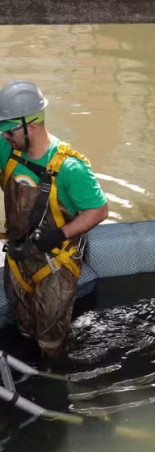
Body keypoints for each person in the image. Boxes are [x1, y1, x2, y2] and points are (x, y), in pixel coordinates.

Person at [0, 80, 108, 356]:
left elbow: (98, 210)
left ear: (31, 126)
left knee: (50, 343)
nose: (4, 137)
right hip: (17, 257)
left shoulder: (71, 167)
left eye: (8, 131)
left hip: (54, 263)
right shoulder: (8, 152)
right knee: (24, 329)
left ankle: (54, 384)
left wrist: (59, 235)